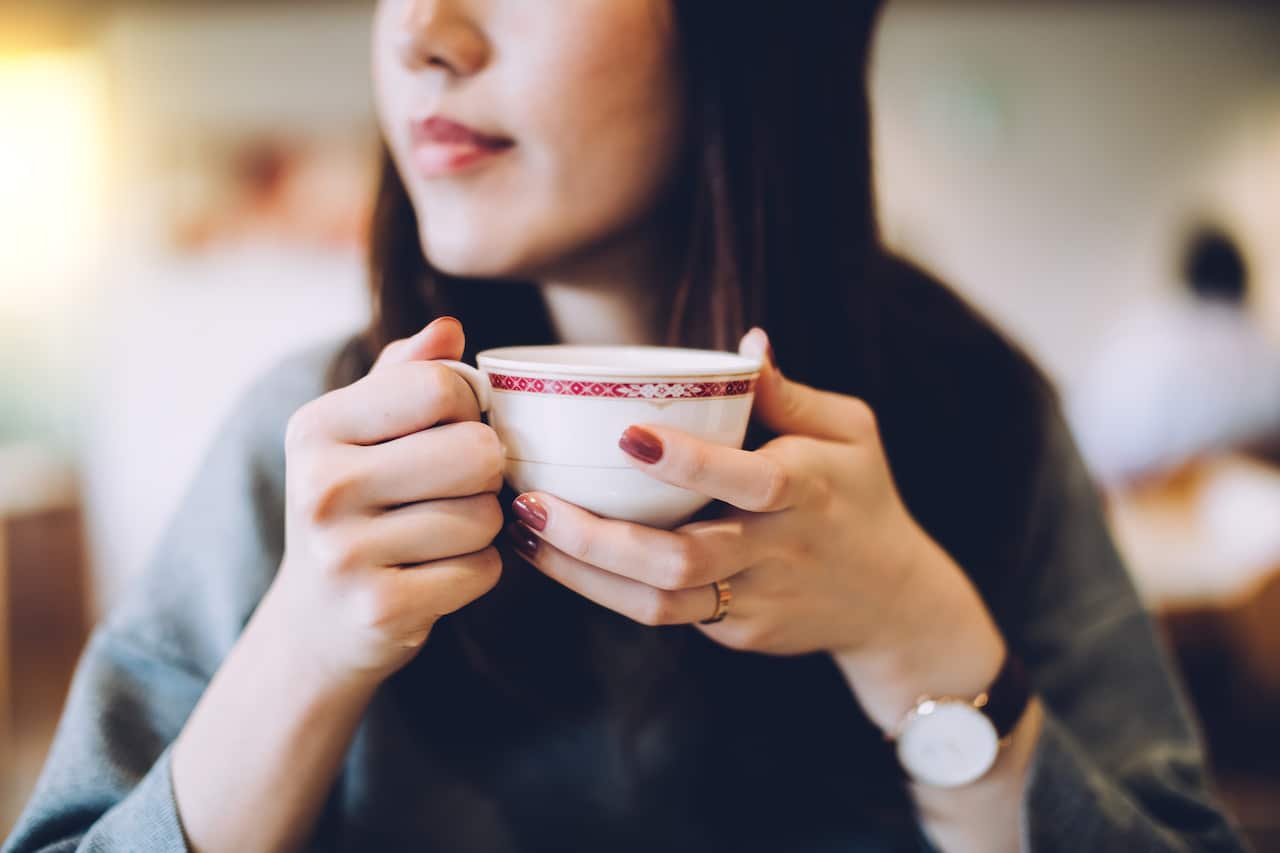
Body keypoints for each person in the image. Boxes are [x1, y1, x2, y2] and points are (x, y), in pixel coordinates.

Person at [5, 2, 1247, 852]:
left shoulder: (974, 414)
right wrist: (302, 654)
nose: (426, 34)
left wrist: (919, 635)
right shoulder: (320, 444)